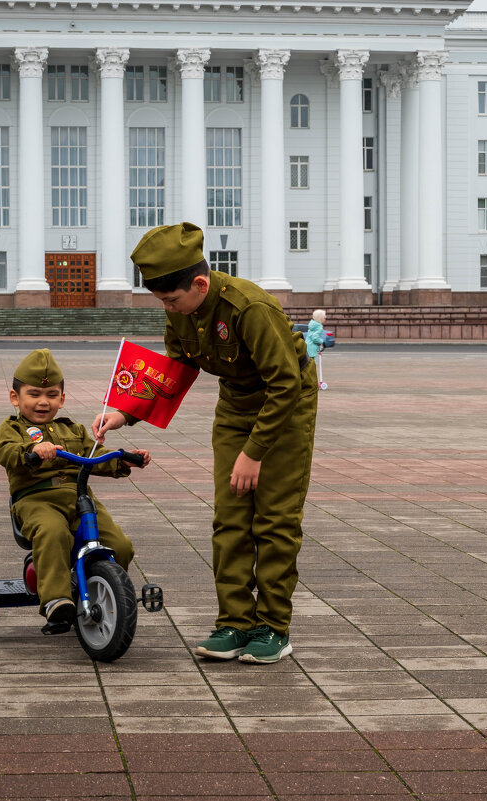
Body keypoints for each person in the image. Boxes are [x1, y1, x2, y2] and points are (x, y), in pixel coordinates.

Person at [93, 222, 317, 665]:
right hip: (236, 404)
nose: (168, 309)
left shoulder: (249, 307)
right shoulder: (181, 310)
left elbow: (285, 384)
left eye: (172, 300)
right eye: (162, 302)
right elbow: (175, 369)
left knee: (273, 520)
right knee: (230, 518)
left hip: (285, 405)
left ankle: (272, 628)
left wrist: (254, 454)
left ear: (200, 282)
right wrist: (125, 413)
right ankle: (233, 623)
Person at [0, 348, 150, 632]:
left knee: (120, 545)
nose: (43, 402)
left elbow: (94, 456)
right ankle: (56, 600)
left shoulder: (73, 430)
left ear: (62, 399)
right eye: (34, 394)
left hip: (79, 499)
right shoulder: (11, 429)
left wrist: (121, 460)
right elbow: (6, 453)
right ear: (15, 397)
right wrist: (32, 450)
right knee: (53, 532)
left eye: (52, 395)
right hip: (36, 500)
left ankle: (102, 587)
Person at [304, 309, 328, 385]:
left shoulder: (312, 325)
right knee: (311, 366)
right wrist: (321, 342)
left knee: (306, 365)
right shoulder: (319, 327)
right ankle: (310, 382)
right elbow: (315, 338)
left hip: (307, 346)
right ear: (320, 318)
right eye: (324, 317)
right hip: (312, 349)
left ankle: (307, 381)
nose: (325, 319)